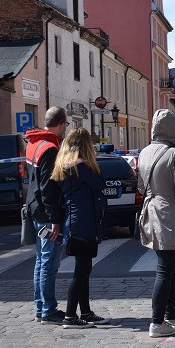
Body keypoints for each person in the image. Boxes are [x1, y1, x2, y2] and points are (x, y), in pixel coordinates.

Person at [137, 109, 175, 337]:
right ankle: (157, 321)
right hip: (170, 212)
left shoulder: (144, 152)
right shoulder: (174, 154)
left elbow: (140, 186)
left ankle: (169, 315)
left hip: (151, 210)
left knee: (171, 267)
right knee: (165, 269)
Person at [51, 128, 110, 328]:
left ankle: (85, 312)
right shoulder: (80, 167)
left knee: (84, 269)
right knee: (81, 271)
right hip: (83, 224)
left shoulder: (63, 166)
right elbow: (100, 184)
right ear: (85, 146)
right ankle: (70, 316)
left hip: (74, 223)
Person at [24, 106, 68, 325]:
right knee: (49, 263)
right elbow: (48, 187)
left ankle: (40, 307)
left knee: (41, 261)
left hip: (33, 208)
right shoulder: (50, 148)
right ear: (61, 124)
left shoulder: (34, 144)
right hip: (45, 212)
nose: (65, 129)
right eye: (66, 125)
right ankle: (48, 309)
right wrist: (55, 219)